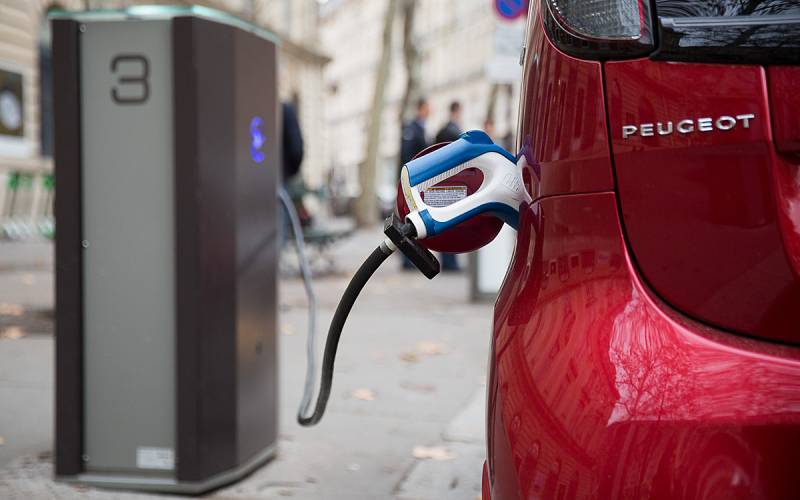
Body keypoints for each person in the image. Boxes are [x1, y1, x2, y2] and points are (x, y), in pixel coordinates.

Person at [431, 101, 464, 272]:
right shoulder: (455, 132)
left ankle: (447, 260)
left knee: (444, 221)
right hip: (454, 182)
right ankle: (451, 262)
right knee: (453, 223)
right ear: (457, 112)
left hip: (441, 182)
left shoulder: (441, 131)